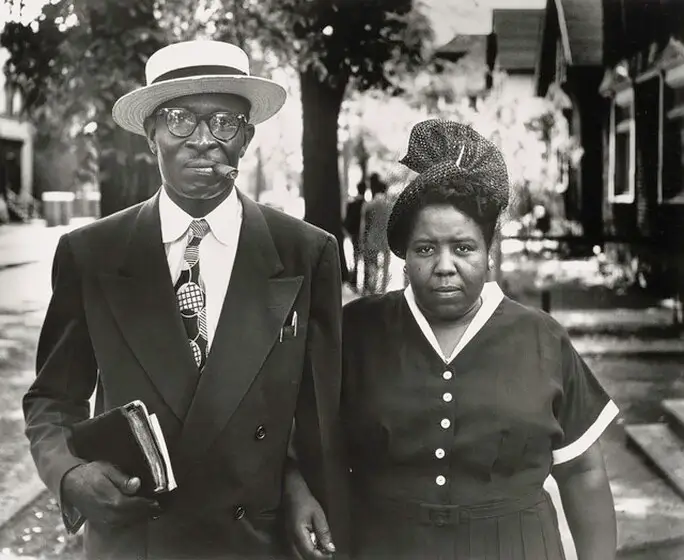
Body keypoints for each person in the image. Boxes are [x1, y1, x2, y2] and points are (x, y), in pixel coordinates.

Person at [23, 40, 348, 560]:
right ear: (150, 134)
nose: (202, 140)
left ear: (247, 137)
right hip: (136, 537)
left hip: (255, 540)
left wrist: (298, 484)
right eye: (178, 120)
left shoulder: (306, 253)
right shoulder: (92, 254)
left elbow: (317, 417)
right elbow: (52, 399)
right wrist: (69, 474)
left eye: (224, 122)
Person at [340, 120, 618, 559]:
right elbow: (305, 445)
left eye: (464, 248)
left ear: (490, 253)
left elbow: (583, 471)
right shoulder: (357, 331)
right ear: (405, 258)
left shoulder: (541, 338)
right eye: (426, 249)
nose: (445, 265)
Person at [359, 172, 391, 295]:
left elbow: (364, 226)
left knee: (372, 266)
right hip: (386, 239)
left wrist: (362, 241)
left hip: (372, 238)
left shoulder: (369, 205)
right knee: (385, 267)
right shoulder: (390, 206)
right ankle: (382, 290)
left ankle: (371, 289)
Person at [344, 179, 367, 288]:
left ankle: (354, 281)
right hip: (364, 235)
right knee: (366, 259)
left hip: (354, 234)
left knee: (355, 257)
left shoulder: (352, 204)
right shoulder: (366, 204)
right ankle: (366, 283)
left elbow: (346, 220)